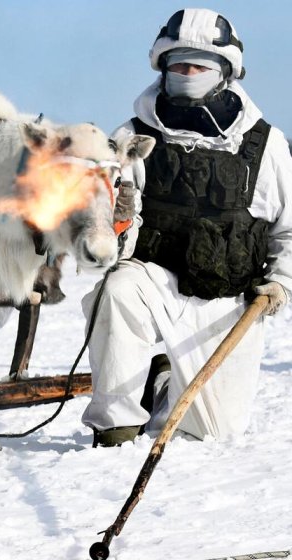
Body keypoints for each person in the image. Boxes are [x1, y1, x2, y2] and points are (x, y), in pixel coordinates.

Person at [81, 8, 292, 447]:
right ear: (163, 69)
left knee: (212, 431)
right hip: (156, 281)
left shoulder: (264, 144)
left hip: (228, 297)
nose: (188, 72)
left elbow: (288, 229)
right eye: (178, 64)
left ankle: (161, 387)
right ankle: (115, 422)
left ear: (225, 72)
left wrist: (280, 285)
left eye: (200, 65)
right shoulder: (132, 137)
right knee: (117, 291)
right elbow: (108, 243)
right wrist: (116, 220)